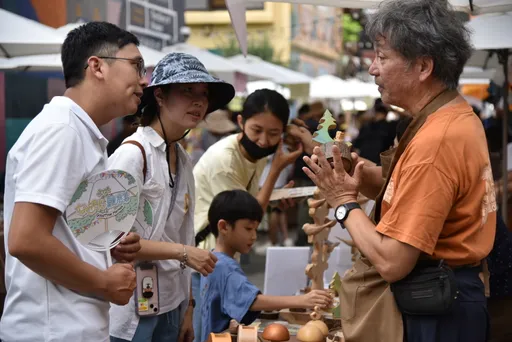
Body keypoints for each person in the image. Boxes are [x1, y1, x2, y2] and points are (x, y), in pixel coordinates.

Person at [302, 0, 496, 341]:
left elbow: (393, 262)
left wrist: (344, 203)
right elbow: (413, 190)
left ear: (422, 66)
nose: (373, 69)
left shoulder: (436, 141)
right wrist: (358, 172)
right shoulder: (450, 115)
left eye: (383, 57)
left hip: (437, 307)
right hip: (447, 297)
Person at [1, 22, 145, 342]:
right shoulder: (63, 130)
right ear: (97, 67)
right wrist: (104, 282)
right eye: (136, 66)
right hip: (53, 330)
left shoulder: (80, 131)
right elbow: (26, 239)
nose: (143, 80)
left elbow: (63, 232)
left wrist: (109, 242)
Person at [107, 52, 234, 342]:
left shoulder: (183, 158)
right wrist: (185, 253)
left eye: (204, 94)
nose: (199, 101)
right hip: (131, 307)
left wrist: (188, 306)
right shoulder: (132, 154)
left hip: (172, 303)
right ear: (160, 96)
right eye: (187, 91)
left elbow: (184, 233)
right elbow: (112, 240)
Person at [191, 89, 313, 342]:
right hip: (204, 253)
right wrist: (277, 169)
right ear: (240, 123)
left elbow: (248, 205)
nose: (264, 141)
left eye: (273, 133)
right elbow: (246, 211)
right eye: (256, 130)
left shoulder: (252, 155)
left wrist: (274, 194)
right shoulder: (225, 160)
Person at [199, 190, 332, 341]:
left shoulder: (214, 258)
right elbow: (253, 301)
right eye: (248, 229)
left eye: (256, 229)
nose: (254, 236)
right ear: (223, 227)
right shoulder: (224, 266)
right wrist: (302, 300)